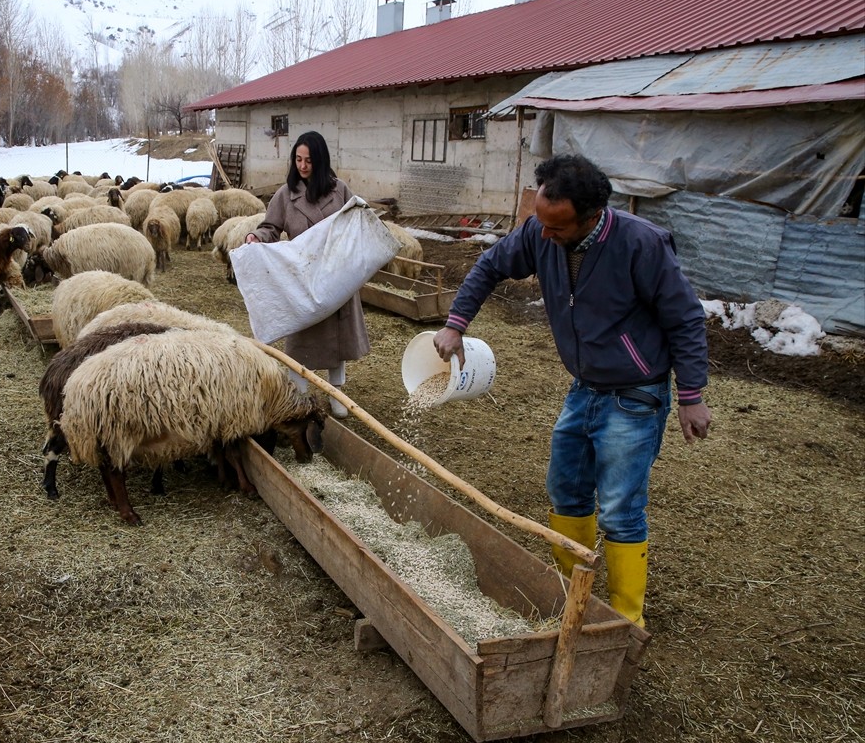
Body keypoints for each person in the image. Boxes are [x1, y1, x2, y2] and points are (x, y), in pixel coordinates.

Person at [432, 154, 712, 628]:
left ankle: (625, 622)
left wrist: (691, 395)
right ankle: (568, 600)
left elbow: (685, 318)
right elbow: (490, 265)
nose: (543, 234)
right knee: (566, 490)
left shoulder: (640, 244)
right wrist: (456, 323)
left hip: (635, 394)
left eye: (556, 227)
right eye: (540, 221)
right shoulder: (540, 232)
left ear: (591, 216)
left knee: (620, 508)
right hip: (584, 387)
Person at [245, 130, 368, 418]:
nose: (302, 165)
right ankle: (298, 393)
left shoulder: (340, 191)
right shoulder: (286, 195)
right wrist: (256, 237)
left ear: (320, 160)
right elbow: (270, 227)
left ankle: (337, 393)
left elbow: (356, 223)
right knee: (301, 339)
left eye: (309, 160)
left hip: (336, 277)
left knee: (337, 339)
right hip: (303, 280)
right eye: (298, 159)